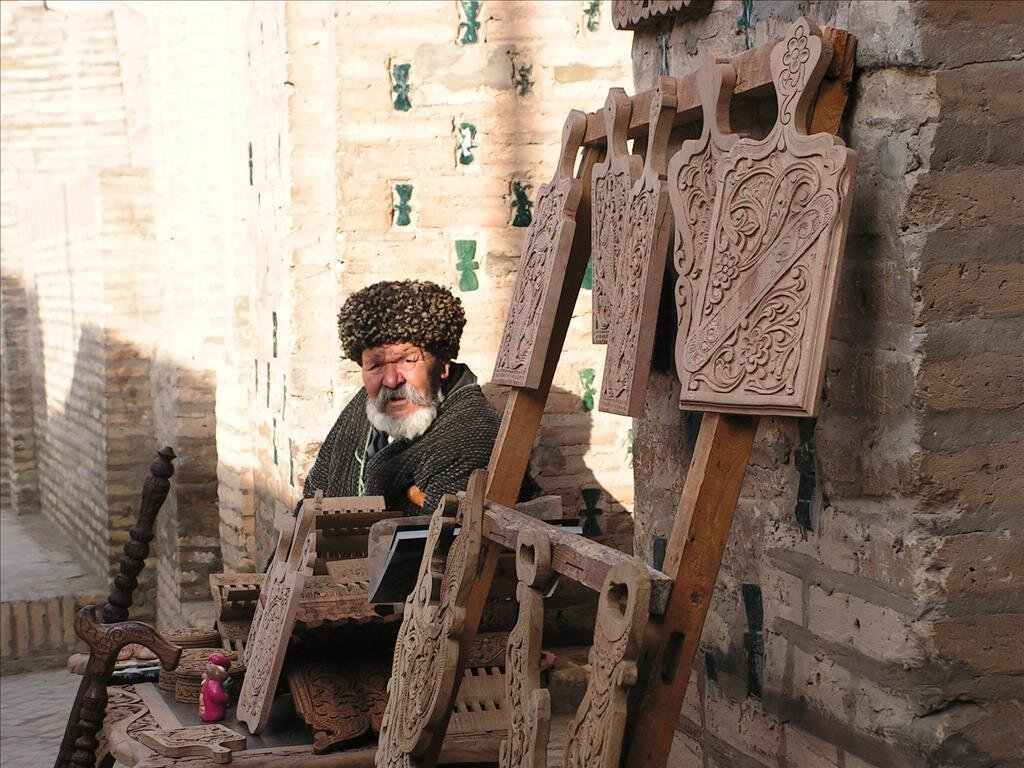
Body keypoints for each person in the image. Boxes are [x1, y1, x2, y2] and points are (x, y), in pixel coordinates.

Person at [298, 279, 536, 516]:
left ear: (443, 365)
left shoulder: (471, 437)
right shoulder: (369, 404)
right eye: (375, 365)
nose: (391, 381)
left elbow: (441, 543)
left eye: (407, 360)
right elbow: (313, 492)